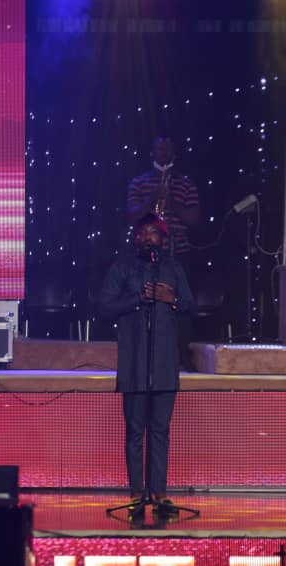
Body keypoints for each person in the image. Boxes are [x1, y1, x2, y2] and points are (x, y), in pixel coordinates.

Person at [98, 214, 195, 516]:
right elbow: (104, 306)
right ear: (136, 237)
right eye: (143, 232)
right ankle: (137, 494)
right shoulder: (123, 266)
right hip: (135, 363)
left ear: (164, 239)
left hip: (165, 364)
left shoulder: (172, 268)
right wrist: (138, 298)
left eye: (154, 232)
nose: (148, 237)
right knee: (135, 431)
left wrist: (172, 298)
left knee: (160, 431)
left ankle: (160, 494)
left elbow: (191, 306)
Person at [126, 136, 202, 368]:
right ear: (152, 151)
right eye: (159, 147)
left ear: (174, 152)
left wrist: (170, 201)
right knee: (144, 300)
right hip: (144, 257)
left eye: (168, 148)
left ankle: (180, 357)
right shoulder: (139, 182)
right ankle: (143, 357)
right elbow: (131, 215)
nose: (163, 152)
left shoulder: (185, 184)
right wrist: (153, 198)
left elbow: (194, 220)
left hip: (177, 253)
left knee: (180, 304)